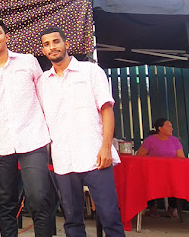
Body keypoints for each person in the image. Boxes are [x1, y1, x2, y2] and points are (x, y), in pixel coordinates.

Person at [38, 26, 125, 237]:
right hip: (64, 160)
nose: (52, 47)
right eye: (47, 44)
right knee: (72, 220)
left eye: (56, 42)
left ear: (66, 44)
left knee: (109, 215)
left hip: (95, 155)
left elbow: (106, 109)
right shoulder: (42, 82)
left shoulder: (90, 71)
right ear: (43, 51)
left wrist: (106, 147)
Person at [0, 17, 55, 237]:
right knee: (6, 203)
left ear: (7, 37)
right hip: (0, 143)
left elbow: (44, 95)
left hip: (33, 139)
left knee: (39, 197)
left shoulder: (28, 62)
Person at [136, 118, 184, 218]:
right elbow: (139, 155)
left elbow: (181, 158)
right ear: (160, 128)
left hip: (171, 173)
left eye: (171, 126)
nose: (172, 128)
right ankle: (152, 208)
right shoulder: (150, 140)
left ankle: (172, 208)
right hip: (154, 173)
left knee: (178, 182)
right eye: (168, 126)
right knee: (146, 181)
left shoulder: (175, 141)